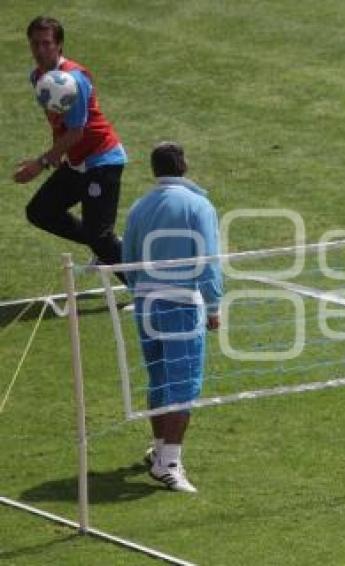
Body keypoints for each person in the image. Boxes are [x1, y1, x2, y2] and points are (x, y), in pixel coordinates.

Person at [122, 142, 222, 493]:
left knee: (159, 378)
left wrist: (139, 292)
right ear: (183, 164)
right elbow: (208, 262)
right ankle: (169, 463)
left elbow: (128, 257)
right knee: (183, 386)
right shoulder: (198, 205)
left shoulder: (139, 207)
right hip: (181, 305)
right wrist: (213, 306)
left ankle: (160, 451)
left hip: (145, 304)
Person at [13, 16, 127, 276]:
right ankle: (107, 249)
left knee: (100, 236)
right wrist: (58, 156)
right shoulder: (39, 77)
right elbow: (60, 126)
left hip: (102, 161)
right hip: (77, 161)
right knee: (41, 211)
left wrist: (40, 163)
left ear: (59, 45)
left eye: (46, 44)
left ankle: (145, 289)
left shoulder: (72, 81)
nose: (40, 50)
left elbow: (76, 131)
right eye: (35, 44)